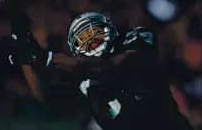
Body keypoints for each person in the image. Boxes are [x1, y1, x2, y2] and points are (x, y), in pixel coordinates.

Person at [12, 12, 194, 130]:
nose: (90, 40)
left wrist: (47, 57)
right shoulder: (83, 79)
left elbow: (108, 66)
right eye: (82, 39)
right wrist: (25, 59)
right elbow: (44, 95)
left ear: (109, 28)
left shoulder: (136, 39)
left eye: (94, 32)